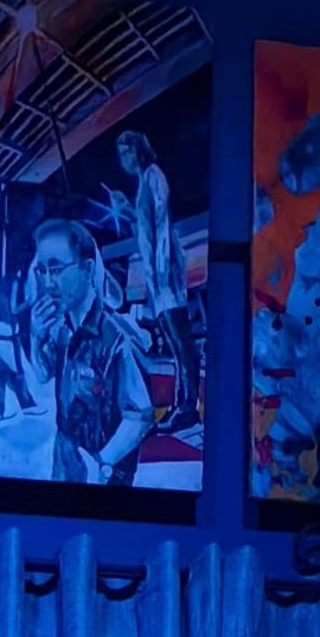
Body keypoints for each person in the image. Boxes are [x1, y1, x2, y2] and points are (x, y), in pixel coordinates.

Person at [27, 220, 154, 489]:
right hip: (65, 463)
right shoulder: (62, 329)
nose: (48, 282)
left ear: (87, 269)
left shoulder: (115, 338)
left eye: (57, 269)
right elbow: (42, 374)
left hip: (102, 479)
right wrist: (36, 339)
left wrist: (101, 462)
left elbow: (141, 414)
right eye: (42, 270)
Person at [116, 132, 198, 431]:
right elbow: (145, 226)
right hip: (159, 275)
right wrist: (126, 209)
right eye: (121, 155)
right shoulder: (143, 182)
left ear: (140, 150)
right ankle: (183, 404)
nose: (124, 160)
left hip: (166, 273)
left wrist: (162, 271)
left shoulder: (153, 176)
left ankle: (188, 406)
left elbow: (162, 223)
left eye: (127, 153)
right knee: (176, 343)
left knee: (181, 341)